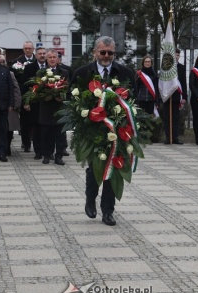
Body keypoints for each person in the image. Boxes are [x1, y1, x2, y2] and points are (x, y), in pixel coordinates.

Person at [70, 36, 136, 226]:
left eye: (110, 53)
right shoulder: (83, 72)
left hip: (118, 129)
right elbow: (72, 98)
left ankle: (108, 211)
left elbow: (133, 101)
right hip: (92, 130)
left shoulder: (125, 73)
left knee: (114, 168)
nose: (106, 56)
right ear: (95, 52)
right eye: (103, 52)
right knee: (94, 168)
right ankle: (90, 199)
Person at [39, 49, 69, 165]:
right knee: (46, 133)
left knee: (60, 134)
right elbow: (37, 88)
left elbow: (67, 87)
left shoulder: (64, 72)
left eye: (54, 57)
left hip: (59, 106)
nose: (52, 59)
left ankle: (59, 156)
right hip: (46, 107)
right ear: (46, 59)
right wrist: (44, 96)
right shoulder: (41, 72)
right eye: (50, 57)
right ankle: (46, 155)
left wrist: (62, 96)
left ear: (57, 59)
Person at [22, 46, 47, 160]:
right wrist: (26, 102)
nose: (42, 55)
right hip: (35, 102)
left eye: (43, 53)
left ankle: (48, 151)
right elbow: (25, 85)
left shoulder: (50, 67)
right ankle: (38, 151)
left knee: (47, 127)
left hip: (47, 102)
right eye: (40, 53)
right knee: (36, 127)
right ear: (36, 55)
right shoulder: (29, 67)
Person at [14, 41, 35, 152]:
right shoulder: (17, 62)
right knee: (25, 121)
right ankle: (25, 142)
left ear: (33, 49)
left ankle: (35, 141)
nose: (28, 50)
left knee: (35, 120)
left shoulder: (38, 61)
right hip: (23, 94)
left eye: (29, 48)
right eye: (26, 48)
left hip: (36, 95)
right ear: (23, 50)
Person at [163, 49, 187, 144]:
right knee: (167, 117)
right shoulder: (166, 67)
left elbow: (184, 82)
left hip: (177, 95)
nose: (176, 56)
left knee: (175, 118)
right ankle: (168, 137)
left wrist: (184, 96)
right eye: (175, 55)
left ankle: (175, 137)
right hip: (167, 95)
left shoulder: (181, 67)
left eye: (178, 55)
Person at [0, 54, 21, 155]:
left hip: (9, 105)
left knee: (9, 128)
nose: (2, 63)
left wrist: (17, 103)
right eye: (0, 61)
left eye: (4, 61)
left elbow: (16, 88)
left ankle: (7, 147)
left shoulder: (10, 74)